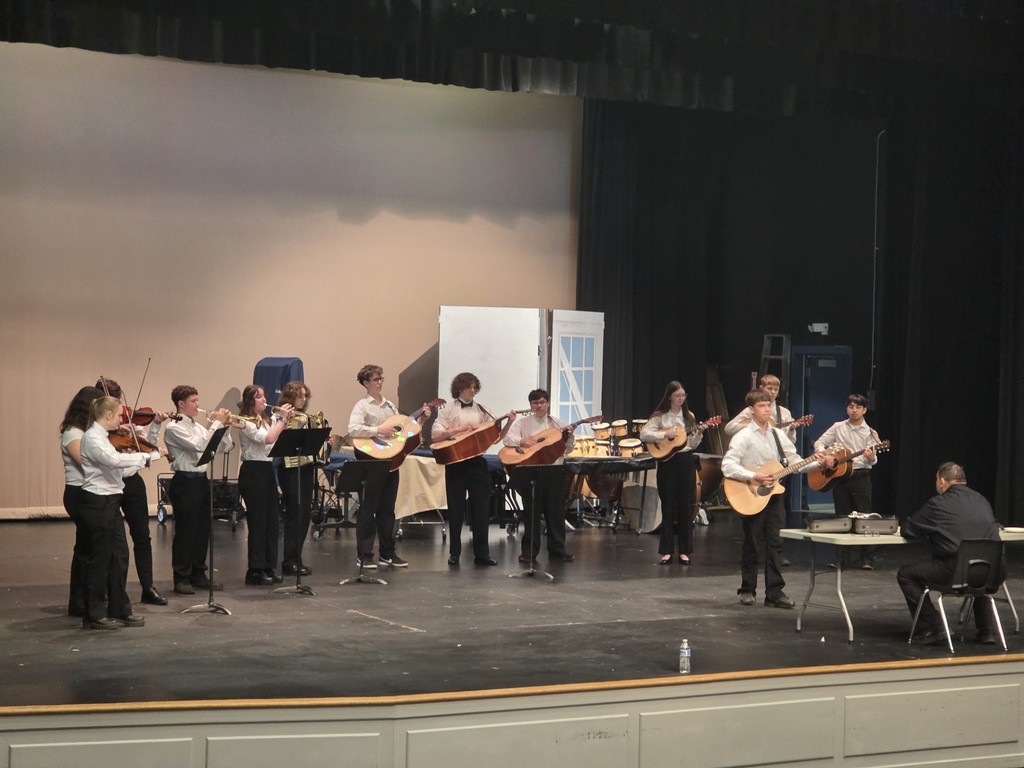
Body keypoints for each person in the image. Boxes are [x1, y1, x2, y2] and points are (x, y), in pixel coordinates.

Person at [721, 389, 828, 608]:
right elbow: (727, 465)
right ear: (751, 410)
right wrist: (754, 475)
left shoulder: (778, 435)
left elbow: (795, 462)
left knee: (776, 543)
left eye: (769, 405)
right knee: (752, 542)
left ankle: (775, 593)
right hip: (750, 494)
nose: (767, 409)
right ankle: (747, 589)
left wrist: (818, 462)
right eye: (762, 406)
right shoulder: (743, 436)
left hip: (774, 496)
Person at [78, 395, 162, 629]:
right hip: (97, 502)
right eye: (119, 415)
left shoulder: (104, 438)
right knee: (100, 560)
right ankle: (93, 614)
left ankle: (119, 607)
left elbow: (121, 472)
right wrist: (148, 455)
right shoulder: (93, 439)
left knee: (119, 557)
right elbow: (114, 461)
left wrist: (144, 458)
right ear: (108, 415)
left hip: (111, 501)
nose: (122, 419)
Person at [897, 462, 1004, 645]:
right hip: (995, 571)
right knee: (978, 568)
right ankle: (987, 631)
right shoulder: (981, 500)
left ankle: (932, 626)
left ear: (942, 481)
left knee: (906, 575)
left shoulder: (938, 504)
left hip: (956, 572)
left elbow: (909, 530)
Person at [347, 365, 430, 569]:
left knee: (387, 510)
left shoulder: (390, 406)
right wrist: (378, 429)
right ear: (366, 383)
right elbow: (353, 429)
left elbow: (403, 433)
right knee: (368, 509)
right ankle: (364, 554)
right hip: (370, 461)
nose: (380, 382)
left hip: (390, 462)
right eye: (376, 379)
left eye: (381, 378)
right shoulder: (362, 406)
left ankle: (387, 552)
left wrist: (421, 421)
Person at [97, 378, 170, 606]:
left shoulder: (130, 425)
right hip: (108, 484)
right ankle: (109, 590)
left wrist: (152, 426)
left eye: (119, 403)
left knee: (142, 536)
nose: (120, 411)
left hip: (132, 482)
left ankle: (148, 587)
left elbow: (149, 449)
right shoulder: (96, 430)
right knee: (109, 540)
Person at [431, 372, 516, 566]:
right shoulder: (448, 410)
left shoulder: (483, 410)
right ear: (460, 388)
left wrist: (509, 422)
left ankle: (482, 554)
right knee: (456, 508)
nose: (473, 390)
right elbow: (435, 436)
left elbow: (495, 438)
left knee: (481, 509)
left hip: (477, 462)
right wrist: (457, 430)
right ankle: (454, 553)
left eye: (475, 387)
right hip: (456, 463)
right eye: (470, 386)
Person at [163, 385, 234, 595]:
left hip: (201, 480)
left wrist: (225, 428)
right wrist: (217, 423)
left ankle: (198, 573)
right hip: (185, 482)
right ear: (181, 404)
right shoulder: (174, 428)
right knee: (186, 530)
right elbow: (200, 445)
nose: (198, 404)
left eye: (197, 400)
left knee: (203, 529)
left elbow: (222, 447)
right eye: (193, 401)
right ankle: (181, 577)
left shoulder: (198, 426)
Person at [501, 388, 575, 564]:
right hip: (531, 470)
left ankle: (557, 550)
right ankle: (529, 552)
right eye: (535, 403)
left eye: (542, 402)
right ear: (531, 405)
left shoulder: (557, 424)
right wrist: (521, 441)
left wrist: (570, 437)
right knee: (531, 514)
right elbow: (507, 439)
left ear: (548, 403)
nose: (539, 406)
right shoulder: (523, 423)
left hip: (554, 470)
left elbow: (568, 449)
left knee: (555, 513)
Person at [640, 381, 708, 565]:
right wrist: (664, 435)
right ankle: (666, 550)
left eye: (683, 395)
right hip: (667, 463)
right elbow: (644, 434)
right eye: (677, 395)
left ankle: (685, 551)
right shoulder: (660, 416)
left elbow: (691, 444)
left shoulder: (689, 416)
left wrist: (699, 433)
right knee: (668, 506)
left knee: (686, 507)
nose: (681, 398)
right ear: (670, 396)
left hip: (685, 461)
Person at [813, 393, 880, 569]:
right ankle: (841, 558)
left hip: (860, 475)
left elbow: (874, 461)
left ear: (864, 410)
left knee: (864, 516)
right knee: (842, 516)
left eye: (858, 407)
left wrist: (871, 457)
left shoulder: (870, 433)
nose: (854, 410)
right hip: (841, 476)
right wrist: (826, 454)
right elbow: (819, 443)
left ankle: (867, 558)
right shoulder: (838, 426)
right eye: (851, 407)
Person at [237, 384, 293, 585]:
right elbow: (267, 438)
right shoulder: (245, 422)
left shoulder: (266, 421)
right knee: (258, 522)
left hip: (267, 471)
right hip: (253, 472)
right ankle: (255, 569)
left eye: (263, 395)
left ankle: (269, 566)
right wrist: (282, 419)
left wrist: (284, 425)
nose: (264, 399)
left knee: (271, 520)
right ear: (250, 400)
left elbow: (274, 442)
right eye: (259, 396)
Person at [59, 386, 104, 617]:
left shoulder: (87, 432)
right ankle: (79, 601)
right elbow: (84, 462)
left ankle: (85, 598)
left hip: (86, 492)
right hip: (78, 493)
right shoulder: (73, 433)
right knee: (86, 549)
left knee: (88, 547)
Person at [277, 380, 322, 576]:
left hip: (306, 468)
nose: (303, 400)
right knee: (294, 513)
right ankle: (289, 560)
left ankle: (297, 557)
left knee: (304, 514)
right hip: (290, 469)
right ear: (290, 397)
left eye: (305, 396)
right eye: (300, 396)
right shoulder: (280, 416)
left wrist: (322, 442)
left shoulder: (308, 417)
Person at [724, 374, 798, 443]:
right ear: (761, 388)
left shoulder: (784, 413)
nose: (773, 392)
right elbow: (729, 429)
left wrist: (791, 430)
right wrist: (755, 424)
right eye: (770, 388)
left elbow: (791, 442)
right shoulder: (752, 410)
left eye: (776, 389)